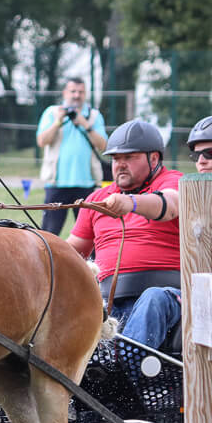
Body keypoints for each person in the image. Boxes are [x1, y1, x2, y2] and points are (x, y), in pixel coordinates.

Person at [67, 120, 182, 349]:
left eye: (129, 157)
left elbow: (170, 205)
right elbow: (71, 251)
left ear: (154, 159)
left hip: (164, 296)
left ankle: (124, 360)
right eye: (116, 158)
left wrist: (131, 202)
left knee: (153, 298)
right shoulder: (97, 199)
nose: (120, 164)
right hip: (106, 300)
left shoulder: (173, 181)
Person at [36, 77, 108, 235]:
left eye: (81, 92)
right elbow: (42, 141)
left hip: (86, 184)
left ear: (86, 94)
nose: (77, 95)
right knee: (49, 233)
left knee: (89, 234)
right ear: (65, 93)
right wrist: (57, 122)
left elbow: (103, 146)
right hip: (56, 183)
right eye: (73, 91)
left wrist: (85, 124)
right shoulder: (51, 112)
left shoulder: (94, 115)